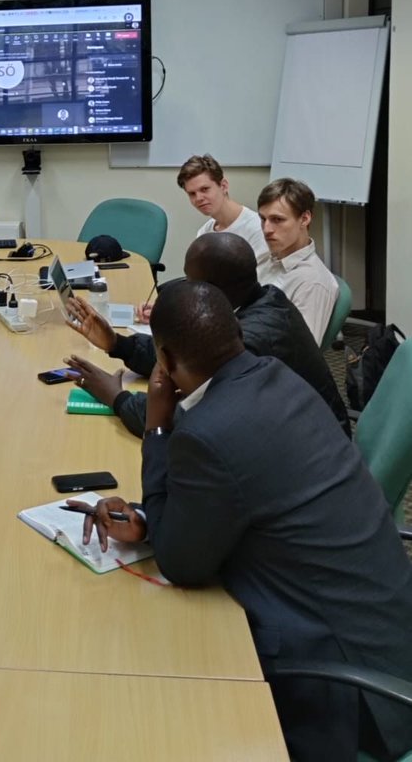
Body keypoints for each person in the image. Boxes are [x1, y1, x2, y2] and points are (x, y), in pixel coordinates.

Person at [69, 280, 412, 762]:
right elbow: (242, 496)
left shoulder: (208, 433)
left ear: (163, 362)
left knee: (148, 688)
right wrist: (149, 520)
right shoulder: (275, 375)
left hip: (351, 696)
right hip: (386, 635)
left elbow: (181, 563)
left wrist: (158, 425)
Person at [64, 232, 350, 436]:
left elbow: (182, 420)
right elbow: (187, 357)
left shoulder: (248, 344)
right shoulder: (263, 299)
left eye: (191, 280)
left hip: (306, 462)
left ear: (211, 290)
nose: (185, 288)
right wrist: (119, 344)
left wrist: (116, 397)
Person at [256, 177, 338, 346]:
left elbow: (299, 355)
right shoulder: (267, 259)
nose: (267, 229)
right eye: (263, 219)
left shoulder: (312, 282)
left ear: (305, 218)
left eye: (277, 220)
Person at [177, 153, 267, 262]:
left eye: (205, 189)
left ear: (223, 186)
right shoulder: (204, 232)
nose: (198, 198)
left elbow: (258, 277)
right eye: (192, 194)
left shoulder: (258, 229)